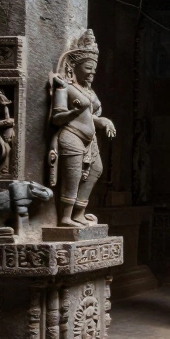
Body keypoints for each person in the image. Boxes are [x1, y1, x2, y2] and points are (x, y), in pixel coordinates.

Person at [49, 30, 116, 227]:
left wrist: (103, 121)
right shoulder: (65, 86)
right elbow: (56, 117)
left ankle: (80, 213)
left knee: (96, 170)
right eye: (88, 67)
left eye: (94, 69)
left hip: (90, 139)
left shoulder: (88, 91)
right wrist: (73, 112)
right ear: (75, 67)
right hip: (71, 135)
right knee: (74, 174)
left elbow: (90, 116)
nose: (92, 72)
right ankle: (65, 217)